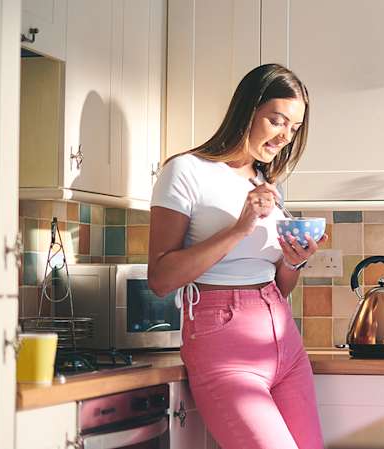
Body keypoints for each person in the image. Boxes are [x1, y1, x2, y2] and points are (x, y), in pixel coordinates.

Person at [148, 63, 323, 448]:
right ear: (248, 109)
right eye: (277, 121)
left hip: (284, 341)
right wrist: (240, 228)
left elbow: (278, 285)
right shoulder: (185, 171)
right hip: (224, 346)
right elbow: (160, 278)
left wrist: (293, 261)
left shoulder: (266, 185)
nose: (284, 137)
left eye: (293, 129)